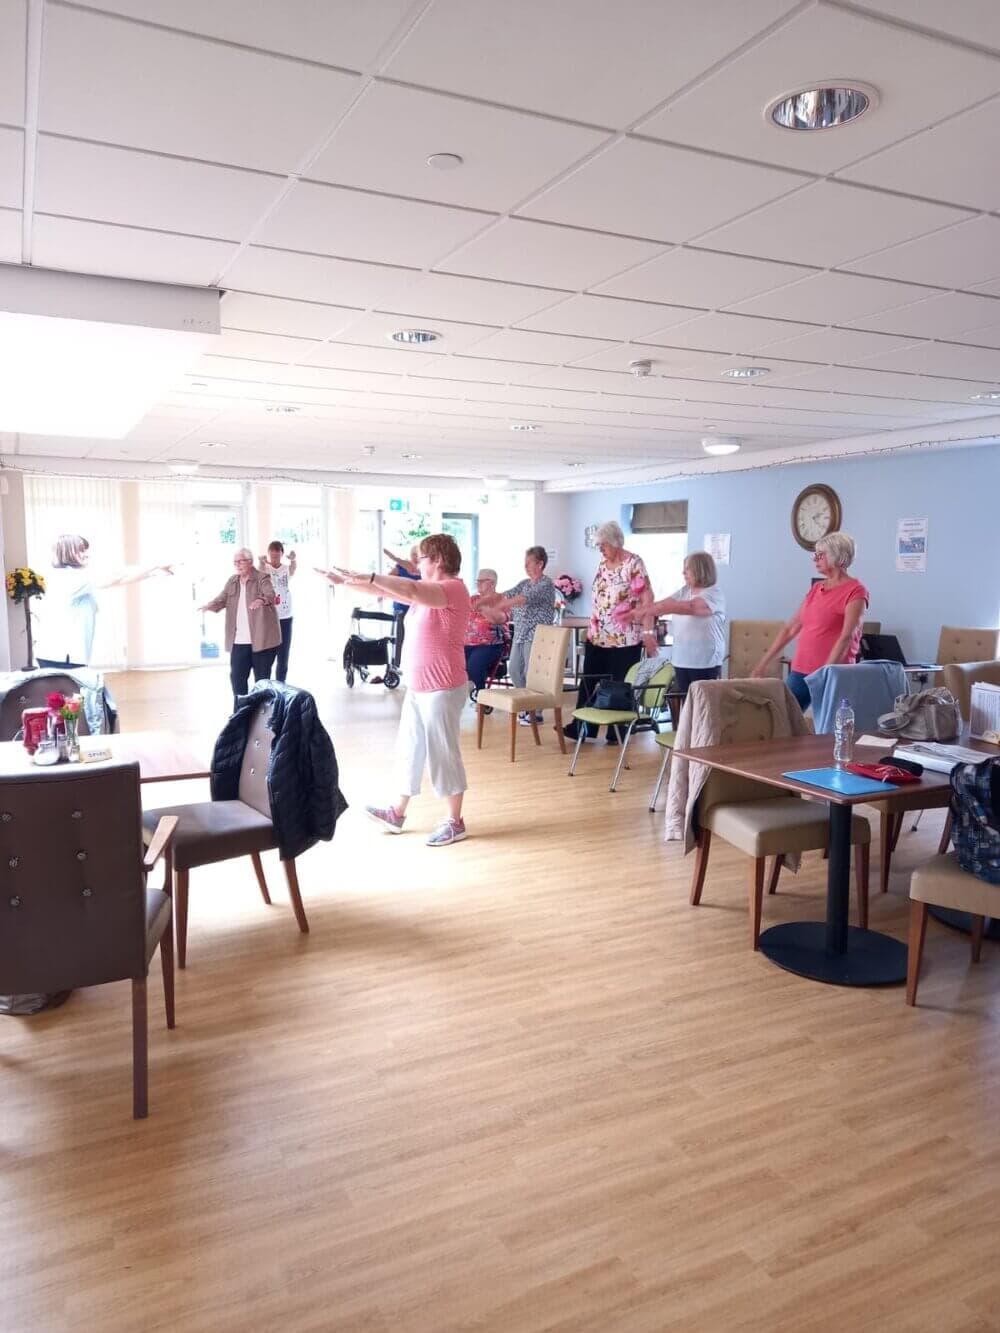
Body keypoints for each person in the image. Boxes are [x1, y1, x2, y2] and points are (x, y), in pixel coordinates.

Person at [320, 533, 471, 847]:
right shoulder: (424, 595)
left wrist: (373, 576)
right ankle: (397, 813)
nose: (417, 563)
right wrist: (344, 581)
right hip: (419, 688)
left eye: (422, 558)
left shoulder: (452, 589)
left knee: (443, 755)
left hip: (442, 689)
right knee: (409, 750)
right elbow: (382, 588)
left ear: (439, 560)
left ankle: (455, 822)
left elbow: (411, 587)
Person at [752, 531, 869, 710]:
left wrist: (825, 674)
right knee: (784, 721)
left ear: (838, 556)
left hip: (833, 673)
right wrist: (762, 665)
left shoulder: (856, 591)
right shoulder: (816, 588)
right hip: (800, 670)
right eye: (815, 555)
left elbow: (847, 637)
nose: (815, 559)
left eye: (820, 555)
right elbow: (790, 629)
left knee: (829, 730)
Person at [565, 521, 656, 744]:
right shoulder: (603, 565)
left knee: (619, 685)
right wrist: (592, 628)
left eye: (603, 544)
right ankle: (583, 728)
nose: (600, 549)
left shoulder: (634, 563)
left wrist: (648, 632)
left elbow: (647, 599)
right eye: (599, 545)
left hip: (625, 638)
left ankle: (618, 732)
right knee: (589, 682)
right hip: (598, 635)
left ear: (616, 542)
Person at [34, 533, 174, 668]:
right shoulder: (69, 578)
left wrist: (152, 573)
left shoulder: (73, 576)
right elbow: (116, 577)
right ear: (66, 552)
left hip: (64, 655)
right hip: (60, 655)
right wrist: (155, 565)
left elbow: (120, 580)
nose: (86, 554)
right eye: (81, 551)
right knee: (76, 692)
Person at [634, 551, 726, 696]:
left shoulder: (713, 593)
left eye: (687, 568)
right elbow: (659, 606)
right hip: (682, 660)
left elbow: (690, 607)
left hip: (705, 661)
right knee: (685, 705)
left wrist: (650, 610)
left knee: (703, 707)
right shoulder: (684, 591)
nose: (683, 572)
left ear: (700, 570)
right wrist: (647, 628)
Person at [199, 547, 281, 704]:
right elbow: (221, 599)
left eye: (240, 561)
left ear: (250, 562)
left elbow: (270, 594)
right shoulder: (233, 581)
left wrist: (261, 600)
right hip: (239, 641)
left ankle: (262, 715)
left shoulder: (262, 578)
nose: (237, 565)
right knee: (237, 679)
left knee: (262, 682)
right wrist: (210, 605)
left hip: (262, 641)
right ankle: (240, 714)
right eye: (235, 562)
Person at [492, 546, 555, 726]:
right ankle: (527, 705)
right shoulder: (524, 583)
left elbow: (521, 600)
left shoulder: (545, 584)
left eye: (529, 563)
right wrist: (486, 600)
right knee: (515, 670)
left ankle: (537, 712)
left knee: (531, 673)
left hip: (536, 635)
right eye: (524, 563)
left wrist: (501, 605)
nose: (525, 567)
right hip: (520, 634)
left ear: (540, 564)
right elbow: (506, 594)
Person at [464, 568, 508, 693]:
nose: (478, 583)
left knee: (474, 665)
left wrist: (482, 606)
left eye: (482, 581)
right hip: (466, 643)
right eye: (477, 581)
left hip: (491, 645)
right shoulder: (472, 599)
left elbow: (499, 619)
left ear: (493, 583)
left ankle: (481, 696)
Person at [258, 541, 296, 683]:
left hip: (286, 617)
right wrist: (261, 562)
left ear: (281, 554)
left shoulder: (286, 569)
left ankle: (281, 686)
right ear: (269, 554)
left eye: (277, 553)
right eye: (272, 554)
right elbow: (259, 573)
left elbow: (293, 568)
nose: (275, 557)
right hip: (269, 617)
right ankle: (266, 687)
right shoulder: (265, 568)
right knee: (267, 655)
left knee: (283, 656)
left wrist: (293, 559)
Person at [384, 545, 420, 668]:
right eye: (414, 554)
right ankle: (395, 666)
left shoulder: (424, 571)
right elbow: (387, 580)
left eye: (419, 555)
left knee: (416, 639)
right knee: (399, 638)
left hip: (417, 609)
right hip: (400, 608)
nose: (416, 557)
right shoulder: (401, 567)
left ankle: (415, 665)